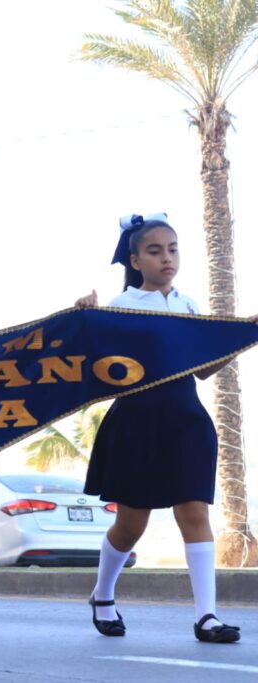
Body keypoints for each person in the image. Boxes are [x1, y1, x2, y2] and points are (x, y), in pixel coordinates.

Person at [74, 213, 257, 644]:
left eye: (173, 249)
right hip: (136, 423)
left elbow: (204, 371)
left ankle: (206, 617)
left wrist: (244, 335)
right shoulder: (119, 308)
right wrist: (85, 316)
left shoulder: (188, 304)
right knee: (131, 524)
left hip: (187, 422)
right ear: (135, 260)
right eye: (155, 251)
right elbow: (90, 364)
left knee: (194, 513)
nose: (167, 258)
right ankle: (102, 595)